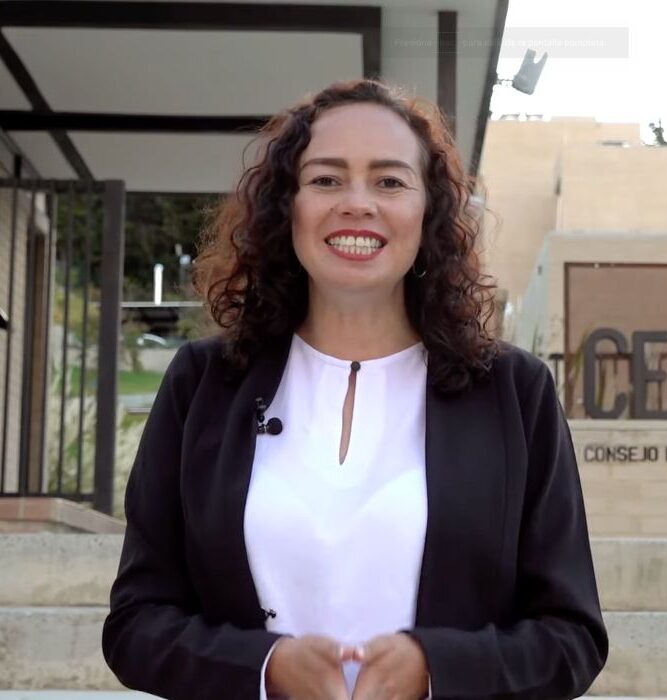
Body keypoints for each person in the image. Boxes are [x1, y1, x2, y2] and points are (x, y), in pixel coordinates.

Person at [102, 79, 607, 700]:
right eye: (326, 179)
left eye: (390, 181)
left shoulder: (514, 393)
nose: (357, 203)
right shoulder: (202, 383)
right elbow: (136, 623)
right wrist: (265, 668)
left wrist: (434, 668)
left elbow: (571, 638)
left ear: (430, 212)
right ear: (286, 206)